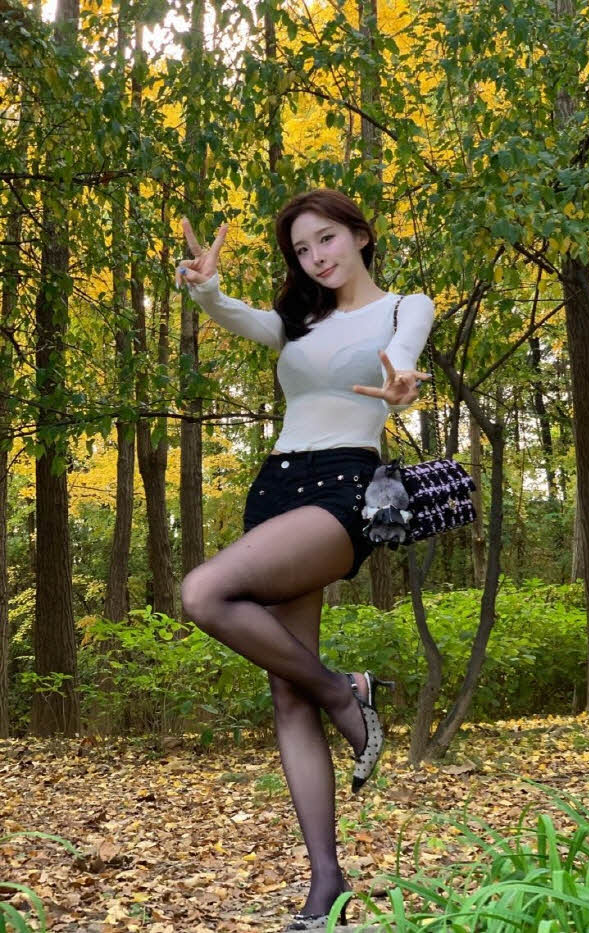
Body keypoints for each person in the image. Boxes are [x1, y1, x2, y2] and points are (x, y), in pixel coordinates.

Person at [177, 188, 434, 931]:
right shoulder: (301, 319)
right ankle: (327, 886)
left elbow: (402, 358)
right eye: (301, 249)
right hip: (276, 488)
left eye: (326, 239)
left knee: (204, 592)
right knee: (287, 693)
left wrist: (401, 385)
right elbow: (240, 317)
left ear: (360, 234)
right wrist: (207, 289)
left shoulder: (405, 306)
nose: (316, 257)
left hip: (345, 484)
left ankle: (343, 693)